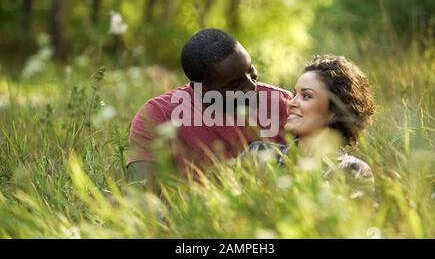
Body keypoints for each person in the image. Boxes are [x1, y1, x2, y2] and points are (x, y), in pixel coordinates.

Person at [126, 28, 292, 192]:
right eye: (235, 85)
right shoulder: (158, 115)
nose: (251, 86)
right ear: (203, 89)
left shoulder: (286, 104)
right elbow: (140, 196)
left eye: (250, 70)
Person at [242, 55, 375, 189]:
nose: (290, 103)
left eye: (306, 96)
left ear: (335, 110)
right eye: (294, 95)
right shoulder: (259, 154)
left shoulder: (354, 171)